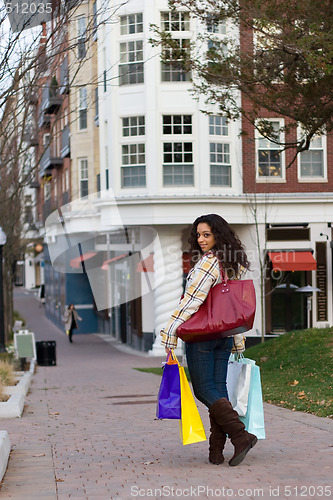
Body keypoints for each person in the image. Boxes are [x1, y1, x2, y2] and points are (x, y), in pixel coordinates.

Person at [160, 214, 257, 466]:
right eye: (199, 235)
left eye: (207, 235)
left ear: (218, 236)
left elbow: (191, 301)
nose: (202, 240)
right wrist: (237, 338)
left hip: (202, 336)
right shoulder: (231, 263)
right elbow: (234, 309)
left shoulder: (207, 263)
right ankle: (216, 452)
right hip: (223, 336)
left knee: (204, 390)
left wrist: (170, 329)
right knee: (218, 391)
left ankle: (240, 435)